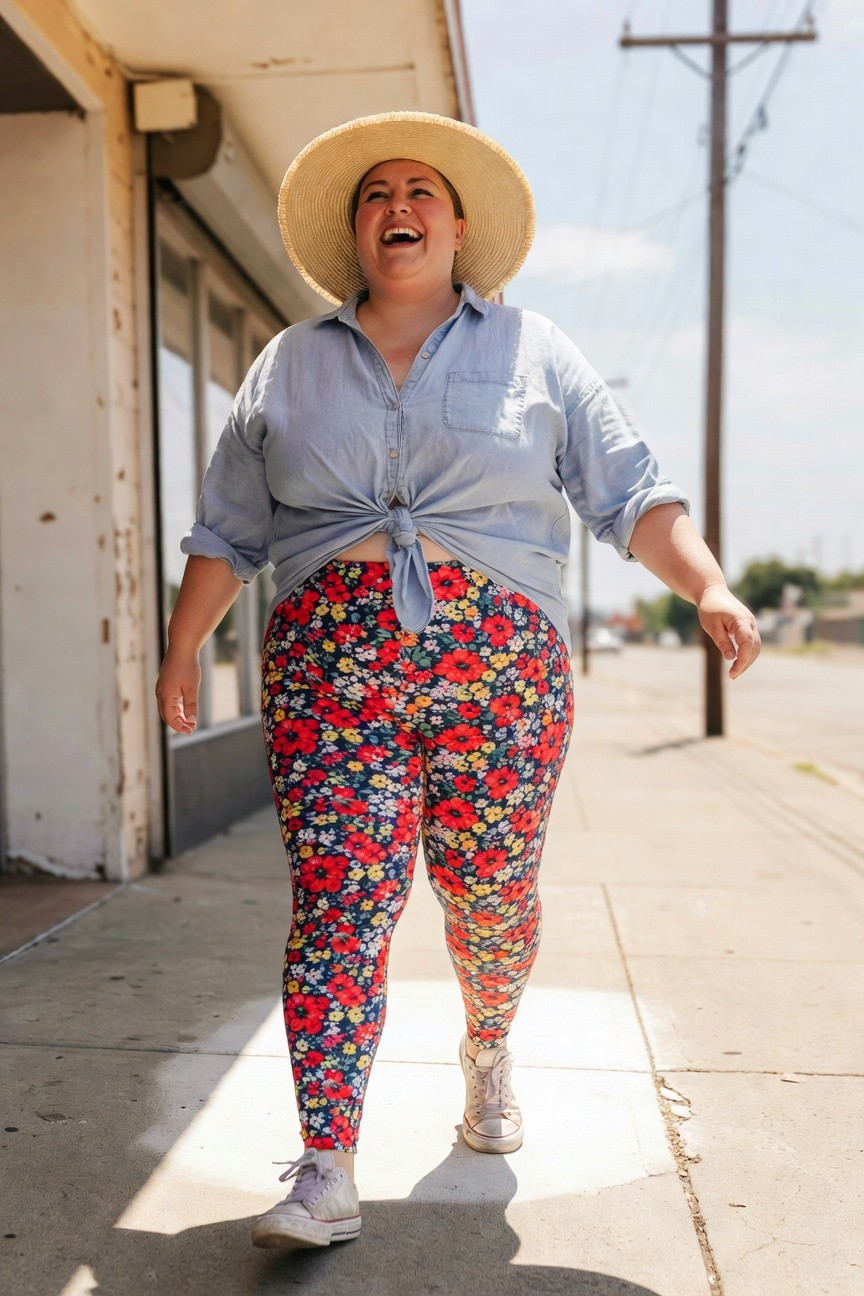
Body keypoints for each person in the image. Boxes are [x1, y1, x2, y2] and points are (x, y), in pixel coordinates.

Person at [155, 111, 760, 1251]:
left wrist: (709, 584)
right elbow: (227, 528)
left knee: (489, 904)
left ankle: (488, 1047)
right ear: (355, 231)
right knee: (342, 901)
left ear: (458, 224)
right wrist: (185, 645)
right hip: (330, 679)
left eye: (421, 189)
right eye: (377, 191)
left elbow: (630, 490)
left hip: (505, 681)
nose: (399, 205)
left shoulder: (536, 351)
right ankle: (327, 1163)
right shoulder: (290, 363)